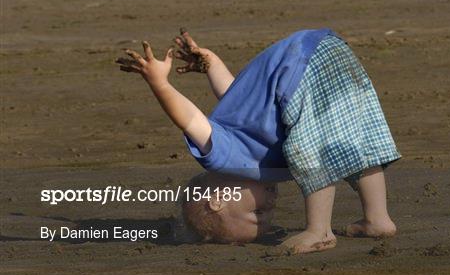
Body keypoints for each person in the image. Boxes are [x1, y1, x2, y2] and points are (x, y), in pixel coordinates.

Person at [116, 27, 401, 254]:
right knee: (354, 141)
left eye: (257, 210)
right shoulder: (250, 140)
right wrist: (212, 64)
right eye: (268, 211)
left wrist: (160, 84)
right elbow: (243, 98)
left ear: (218, 200)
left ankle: (319, 231)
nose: (272, 200)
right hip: (323, 50)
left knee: (309, 149)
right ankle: (377, 218)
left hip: (299, 66)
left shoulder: (225, 154)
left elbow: (190, 119)